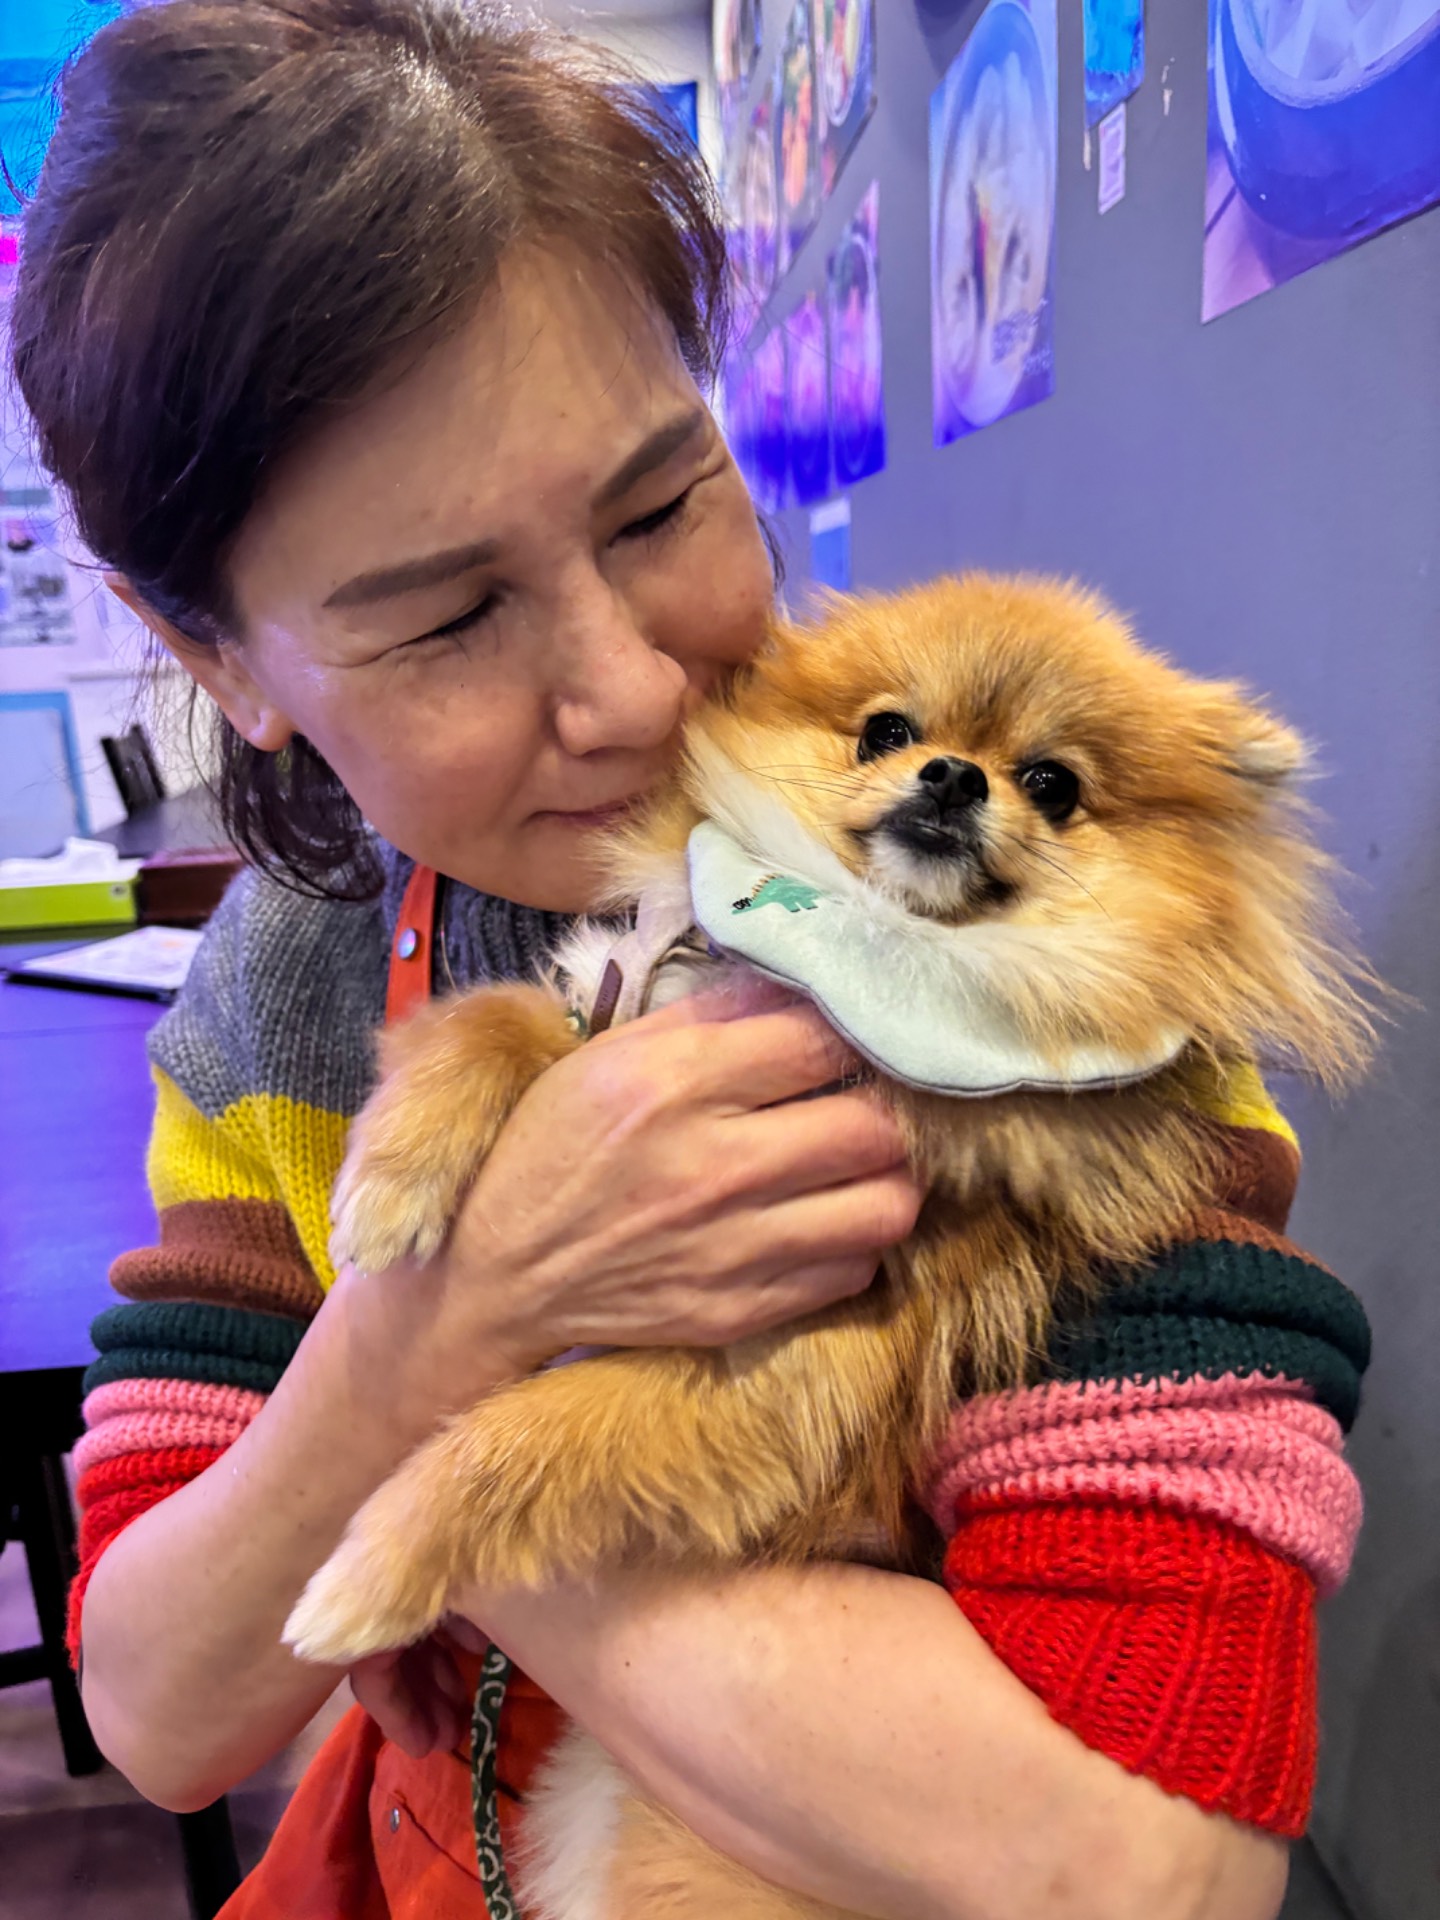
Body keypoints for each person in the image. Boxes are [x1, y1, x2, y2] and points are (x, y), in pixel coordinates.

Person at [12, 4, 1365, 1916]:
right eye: (448, 618)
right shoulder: (294, 991)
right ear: (223, 659)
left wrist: (437, 1493)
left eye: (661, 504)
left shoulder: (1049, 1024)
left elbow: (1141, 1864)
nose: (637, 692)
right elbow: (159, 1705)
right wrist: (442, 1322)